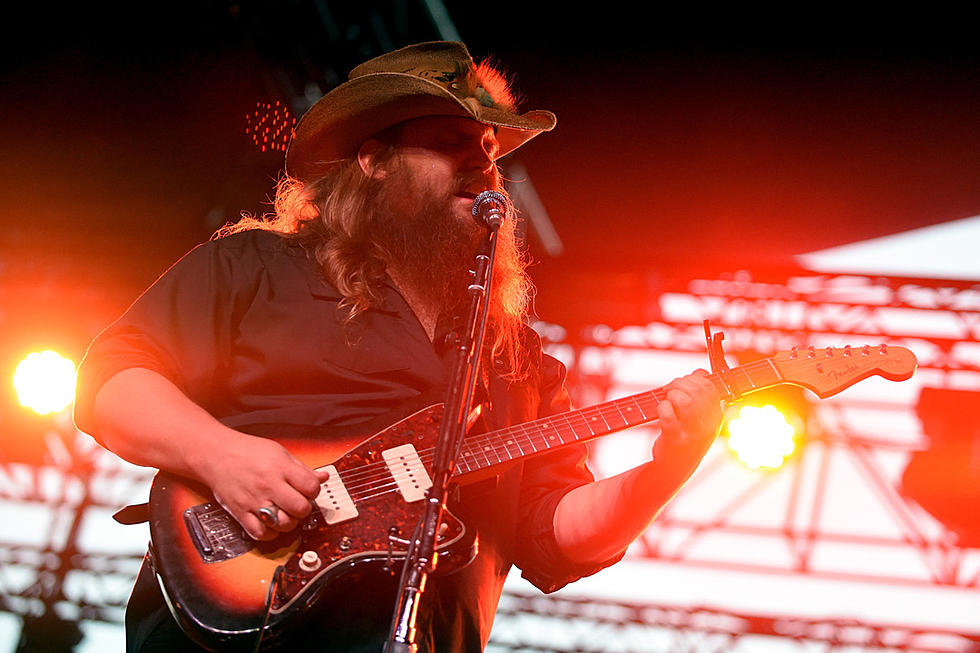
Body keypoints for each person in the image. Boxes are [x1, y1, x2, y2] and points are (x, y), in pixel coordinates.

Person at [74, 41, 722, 652]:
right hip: (233, 629)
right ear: (373, 160)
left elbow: (560, 533)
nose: (482, 162)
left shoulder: (517, 360)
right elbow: (111, 380)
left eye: (491, 147)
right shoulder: (258, 265)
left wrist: (669, 466)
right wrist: (223, 457)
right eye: (450, 141)